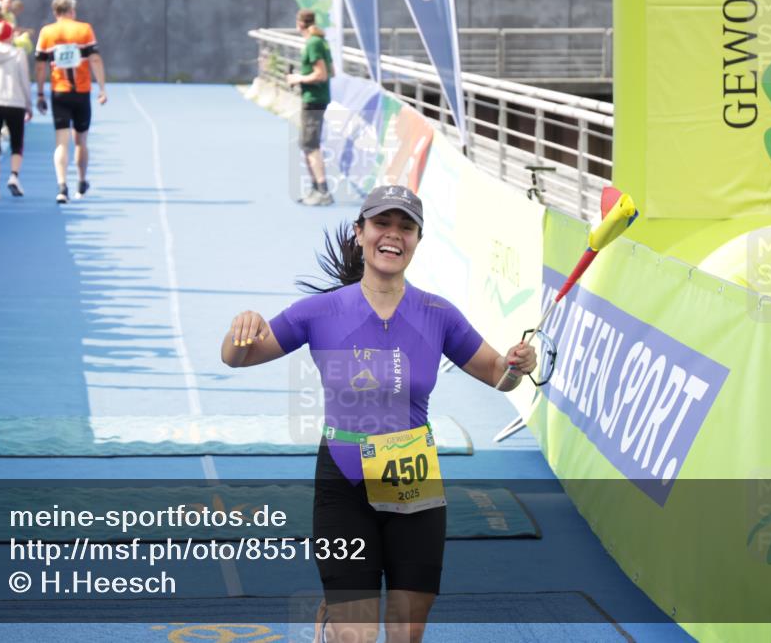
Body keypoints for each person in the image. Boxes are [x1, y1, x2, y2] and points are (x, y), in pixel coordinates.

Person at [220, 185, 537, 642]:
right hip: (343, 484)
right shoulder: (320, 311)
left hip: (414, 481)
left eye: (406, 227)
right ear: (360, 232)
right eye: (382, 223)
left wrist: (515, 366)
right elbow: (238, 357)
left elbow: (496, 374)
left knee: (406, 634)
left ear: (418, 240)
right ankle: (334, 622)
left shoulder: (438, 314)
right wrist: (241, 329)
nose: (393, 234)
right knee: (358, 635)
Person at [34, 0, 107, 204]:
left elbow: (40, 66)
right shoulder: (84, 29)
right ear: (72, 11)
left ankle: (62, 185)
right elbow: (95, 59)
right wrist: (102, 88)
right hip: (81, 92)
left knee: (61, 142)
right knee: (81, 140)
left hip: (60, 92)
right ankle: (82, 181)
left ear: (55, 12)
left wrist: (40, 93)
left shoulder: (47, 32)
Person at [0, 20, 32, 201]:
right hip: (14, 101)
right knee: (17, 142)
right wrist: (29, 104)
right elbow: (24, 80)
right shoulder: (18, 53)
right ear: (10, 36)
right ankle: (14, 176)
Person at [286, 9, 333, 207]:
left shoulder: (313, 43)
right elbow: (332, 71)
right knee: (307, 144)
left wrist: (299, 78)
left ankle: (323, 190)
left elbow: (322, 74)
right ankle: (316, 188)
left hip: (314, 99)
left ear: (299, 23)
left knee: (310, 145)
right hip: (316, 98)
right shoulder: (320, 41)